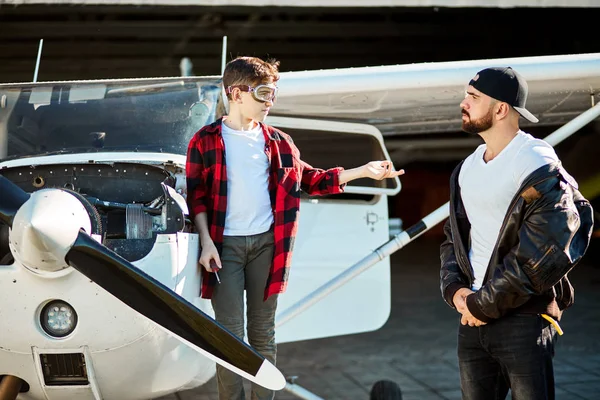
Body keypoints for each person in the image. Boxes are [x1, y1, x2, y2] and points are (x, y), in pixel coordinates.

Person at [186, 55, 405, 400]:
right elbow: (195, 196)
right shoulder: (206, 140)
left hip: (266, 248)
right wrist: (206, 243)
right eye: (262, 93)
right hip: (223, 248)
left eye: (273, 93)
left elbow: (313, 180)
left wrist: (363, 171)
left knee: (263, 337)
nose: (269, 102)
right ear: (236, 93)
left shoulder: (279, 143)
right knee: (227, 338)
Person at [439, 66, 594, 400]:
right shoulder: (467, 168)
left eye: (473, 97)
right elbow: (454, 238)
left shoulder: (534, 162)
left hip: (522, 319)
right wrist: (455, 290)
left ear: (500, 109)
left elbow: (546, 249)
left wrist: (483, 305)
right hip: (472, 320)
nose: (463, 102)